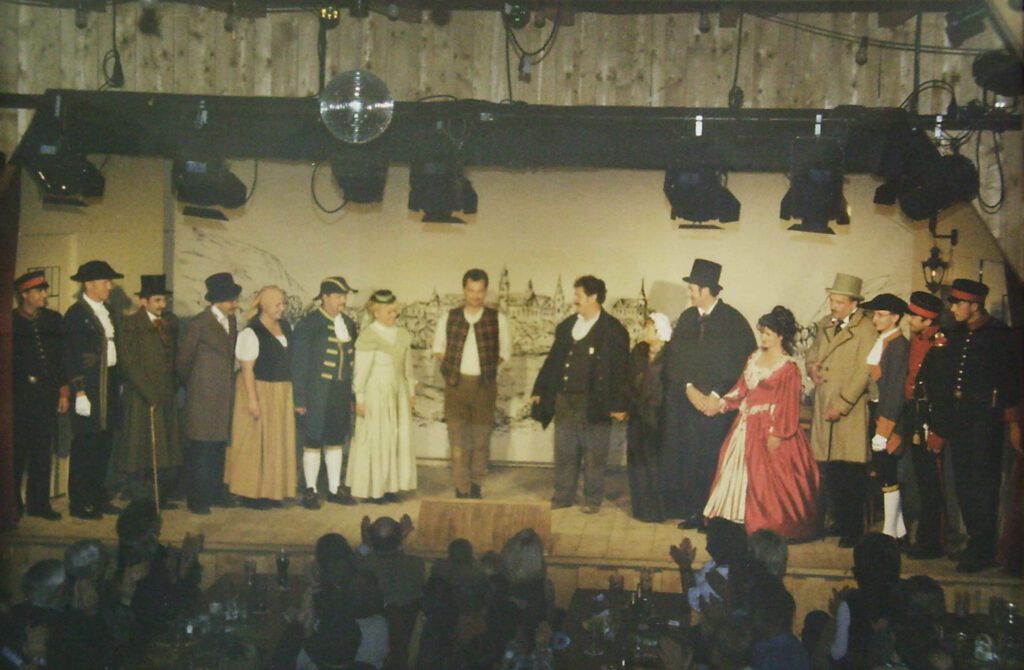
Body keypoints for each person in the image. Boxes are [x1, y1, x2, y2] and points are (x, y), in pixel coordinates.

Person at [703, 306, 821, 541]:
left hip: (770, 427)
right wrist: (723, 404)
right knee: (733, 468)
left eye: (768, 333)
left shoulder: (788, 367)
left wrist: (777, 432)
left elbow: (789, 404)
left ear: (780, 336)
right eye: (762, 332)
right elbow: (741, 389)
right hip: (746, 424)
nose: (763, 337)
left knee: (765, 476)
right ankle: (733, 520)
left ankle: (765, 523)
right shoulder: (754, 358)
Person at [660, 259, 756, 529]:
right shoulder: (687, 319)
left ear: (705, 290)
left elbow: (743, 364)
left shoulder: (734, 321)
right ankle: (694, 512)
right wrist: (689, 388)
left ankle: (712, 516)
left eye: (691, 288)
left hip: (718, 410)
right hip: (689, 406)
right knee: (690, 460)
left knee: (712, 461)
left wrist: (716, 396)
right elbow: (675, 358)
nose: (688, 293)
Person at [940, 278, 1021, 573]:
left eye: (958, 303)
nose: (953, 308)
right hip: (960, 418)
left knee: (983, 485)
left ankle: (984, 548)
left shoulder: (999, 334)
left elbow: (1011, 379)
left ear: (974, 306)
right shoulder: (957, 332)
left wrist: (1012, 420)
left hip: (985, 421)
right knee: (963, 482)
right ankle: (975, 542)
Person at [531, 275, 629, 514]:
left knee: (595, 453)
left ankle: (592, 499)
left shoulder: (614, 330)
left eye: (578, 295)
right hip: (565, 401)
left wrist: (619, 405)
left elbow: (622, 372)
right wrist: (539, 390)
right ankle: (563, 496)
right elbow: (552, 362)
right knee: (565, 450)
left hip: (596, 402)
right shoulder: (567, 327)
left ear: (593, 297)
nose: (574, 299)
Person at [805, 273, 876, 548]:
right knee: (830, 469)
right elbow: (813, 352)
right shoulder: (826, 323)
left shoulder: (866, 329)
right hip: (824, 404)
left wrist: (843, 404)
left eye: (839, 302)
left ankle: (853, 528)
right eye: (832, 300)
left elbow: (865, 371)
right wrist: (812, 367)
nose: (833, 306)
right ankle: (839, 520)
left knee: (850, 471)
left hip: (849, 410)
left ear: (853, 303)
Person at [433, 268, 511, 500]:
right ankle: (461, 487)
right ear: (464, 290)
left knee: (481, 440)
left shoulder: (498, 319)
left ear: (485, 291)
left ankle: (476, 485)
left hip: (484, 388)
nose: (475, 296)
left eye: (479, 291)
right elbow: (438, 349)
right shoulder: (449, 317)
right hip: (456, 388)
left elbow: (505, 353)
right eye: (471, 290)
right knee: (458, 441)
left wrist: (487, 371)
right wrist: (454, 369)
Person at [63, 260, 125, 520]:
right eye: (105, 282)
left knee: (103, 445)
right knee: (85, 446)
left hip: (108, 386)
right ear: (89, 284)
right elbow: (70, 355)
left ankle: (98, 498)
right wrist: (78, 392)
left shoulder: (108, 310)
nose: (110, 287)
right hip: (87, 389)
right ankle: (80, 503)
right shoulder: (76, 314)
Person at [176, 272, 242, 515]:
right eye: (232, 299)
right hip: (202, 398)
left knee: (217, 447)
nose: (235, 304)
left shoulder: (231, 321)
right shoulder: (198, 324)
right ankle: (197, 498)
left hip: (223, 397)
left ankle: (214, 492)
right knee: (200, 449)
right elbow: (183, 362)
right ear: (218, 300)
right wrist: (196, 386)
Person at [225, 285, 296, 507]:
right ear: (264, 306)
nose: (282, 308)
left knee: (275, 442)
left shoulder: (285, 327)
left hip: (281, 391)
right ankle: (252, 494)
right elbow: (247, 370)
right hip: (258, 389)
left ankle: (272, 492)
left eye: (283, 303)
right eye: (277, 304)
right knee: (255, 443)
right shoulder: (251, 332)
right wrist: (253, 401)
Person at [292, 276, 360, 509]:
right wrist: (300, 399)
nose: (343, 301)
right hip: (316, 392)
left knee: (335, 439)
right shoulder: (310, 324)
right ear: (325, 297)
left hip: (340, 391)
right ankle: (310, 490)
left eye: (345, 296)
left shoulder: (348, 324)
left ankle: (334, 489)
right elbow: (299, 365)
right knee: (312, 440)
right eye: (339, 296)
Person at [114, 275, 180, 508]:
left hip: (165, 394)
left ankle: (157, 497)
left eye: (164, 300)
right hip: (142, 396)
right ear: (144, 301)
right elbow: (129, 362)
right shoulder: (131, 325)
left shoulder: (169, 323)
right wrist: (148, 392)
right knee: (139, 447)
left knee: (163, 448)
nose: (162, 305)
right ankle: (139, 497)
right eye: (157, 300)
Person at [346, 290, 418, 502]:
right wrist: (360, 399)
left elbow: (408, 368)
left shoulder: (402, 335)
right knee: (377, 438)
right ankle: (374, 489)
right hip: (376, 392)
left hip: (398, 392)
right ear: (376, 312)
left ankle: (390, 487)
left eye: (395, 311)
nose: (393, 315)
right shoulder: (369, 336)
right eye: (389, 312)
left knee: (395, 437)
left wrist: (411, 391)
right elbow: (361, 371)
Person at [11, 270, 68, 521]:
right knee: (16, 454)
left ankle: (39, 504)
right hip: (19, 399)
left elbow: (61, 358)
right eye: (40, 291)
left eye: (45, 290)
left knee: (42, 453)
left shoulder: (53, 320)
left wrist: (63, 390)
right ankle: (11, 506)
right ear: (25, 295)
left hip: (46, 396)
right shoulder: (10, 321)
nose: (45, 295)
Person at [901, 292, 953, 560]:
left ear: (928, 319)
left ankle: (933, 541)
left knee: (932, 484)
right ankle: (923, 537)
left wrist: (937, 431)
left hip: (930, 419)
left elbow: (942, 394)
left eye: (914, 316)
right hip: (916, 415)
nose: (909, 320)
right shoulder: (918, 340)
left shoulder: (940, 345)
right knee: (921, 481)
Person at [859, 293, 910, 543]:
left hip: (889, 418)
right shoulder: (884, 341)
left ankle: (890, 532)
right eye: (874, 315)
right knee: (883, 473)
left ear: (895, 317)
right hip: (878, 413)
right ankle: (899, 531)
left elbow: (895, 391)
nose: (875, 319)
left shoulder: (899, 346)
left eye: (880, 315)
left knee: (888, 474)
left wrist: (884, 430)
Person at [626, 312, 671, 522]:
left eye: (649, 328)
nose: (644, 331)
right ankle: (641, 508)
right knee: (637, 462)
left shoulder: (670, 355)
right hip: (638, 414)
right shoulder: (639, 351)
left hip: (659, 417)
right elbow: (627, 378)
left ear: (659, 331)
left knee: (655, 464)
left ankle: (658, 510)